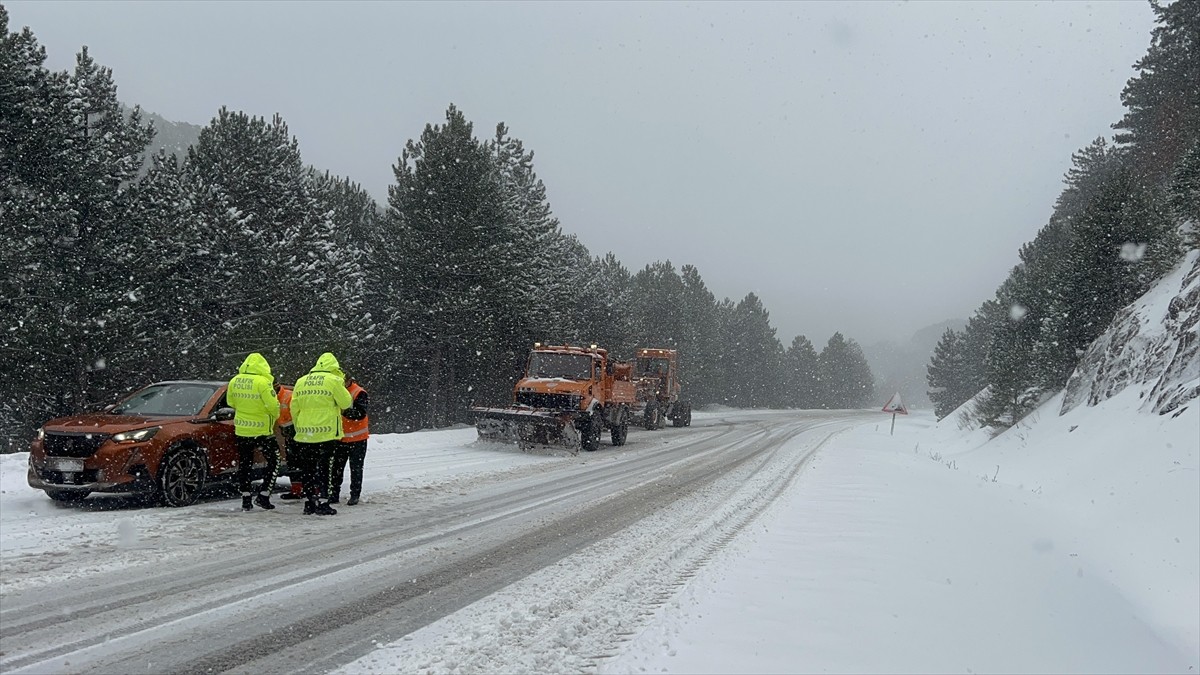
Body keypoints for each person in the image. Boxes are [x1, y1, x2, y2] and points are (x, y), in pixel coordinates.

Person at [289, 352, 353, 516]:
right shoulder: (333, 381)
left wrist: (299, 427)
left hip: (305, 433)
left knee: (308, 469)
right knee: (326, 469)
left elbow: (294, 408)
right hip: (326, 433)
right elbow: (346, 402)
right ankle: (324, 502)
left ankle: (310, 502)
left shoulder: (301, 381)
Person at [226, 352, 281, 511]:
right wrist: (273, 414)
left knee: (245, 463)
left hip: (242, 429)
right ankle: (264, 495)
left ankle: (246, 498)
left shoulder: (235, 381)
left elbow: (230, 401)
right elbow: (273, 406)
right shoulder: (263, 382)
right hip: (262, 430)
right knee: (274, 460)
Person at [330, 375, 368, 505]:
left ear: (349, 380)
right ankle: (334, 495)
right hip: (340, 438)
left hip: (358, 439)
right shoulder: (337, 390)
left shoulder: (359, 392)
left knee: (356, 468)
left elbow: (360, 414)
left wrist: (343, 410)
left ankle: (355, 495)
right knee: (336, 469)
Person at [275, 383, 307, 500]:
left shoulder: (289, 396)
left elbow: (297, 413)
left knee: (301, 461)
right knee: (293, 462)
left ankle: (308, 489)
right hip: (289, 433)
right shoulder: (272, 397)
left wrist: (293, 429)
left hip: (297, 432)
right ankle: (296, 490)